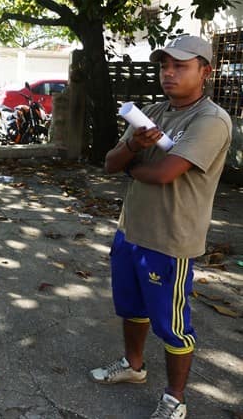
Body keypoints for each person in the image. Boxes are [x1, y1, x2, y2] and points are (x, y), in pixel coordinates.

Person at [90, 35, 232, 419]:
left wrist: (132, 167)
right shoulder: (151, 110)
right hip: (131, 230)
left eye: (180, 66)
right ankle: (134, 368)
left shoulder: (211, 119)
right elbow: (109, 163)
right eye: (164, 66)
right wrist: (134, 145)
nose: (168, 73)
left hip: (170, 240)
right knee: (131, 308)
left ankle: (175, 398)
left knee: (172, 325)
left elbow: (166, 173)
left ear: (205, 71)